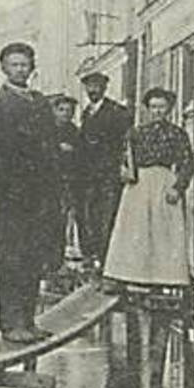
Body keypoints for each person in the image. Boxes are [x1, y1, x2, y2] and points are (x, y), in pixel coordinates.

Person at [0, 41, 59, 344]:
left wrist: (51, 188)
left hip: (40, 196)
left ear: (32, 68)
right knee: (11, 260)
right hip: (10, 199)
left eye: (25, 64)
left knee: (34, 259)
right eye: (14, 65)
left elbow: (51, 151)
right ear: (4, 68)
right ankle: (10, 324)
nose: (20, 70)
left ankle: (29, 321)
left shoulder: (41, 104)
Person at [102, 88, 194, 291]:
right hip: (139, 184)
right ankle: (129, 273)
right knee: (135, 228)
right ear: (147, 109)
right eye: (153, 107)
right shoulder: (136, 133)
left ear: (169, 109)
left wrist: (178, 188)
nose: (157, 111)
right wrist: (125, 171)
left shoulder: (177, 134)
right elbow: (124, 158)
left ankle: (166, 275)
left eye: (161, 107)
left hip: (163, 181)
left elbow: (187, 163)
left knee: (164, 229)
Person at [75, 70, 133, 268]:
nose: (93, 90)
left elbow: (124, 143)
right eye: (90, 87)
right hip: (87, 176)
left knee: (107, 217)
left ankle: (108, 261)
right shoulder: (86, 113)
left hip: (108, 175)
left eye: (97, 86)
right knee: (88, 217)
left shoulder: (116, 112)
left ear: (105, 88)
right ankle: (94, 257)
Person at [45, 91, 83, 273]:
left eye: (69, 111)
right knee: (48, 222)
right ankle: (47, 261)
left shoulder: (74, 132)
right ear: (54, 111)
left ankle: (58, 260)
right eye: (61, 110)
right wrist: (57, 149)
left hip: (69, 183)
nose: (66, 114)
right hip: (48, 184)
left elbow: (82, 156)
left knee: (63, 220)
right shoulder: (46, 132)